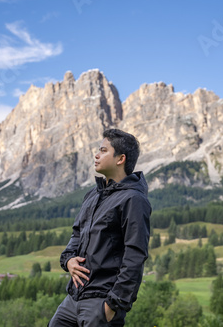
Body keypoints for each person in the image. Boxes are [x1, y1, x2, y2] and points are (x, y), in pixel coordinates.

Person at [49, 129, 152, 326]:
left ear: (120, 159)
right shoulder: (92, 196)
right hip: (72, 299)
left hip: (101, 303)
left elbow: (135, 255)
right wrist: (68, 260)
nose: (96, 155)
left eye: (103, 150)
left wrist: (113, 305)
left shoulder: (134, 199)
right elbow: (77, 235)